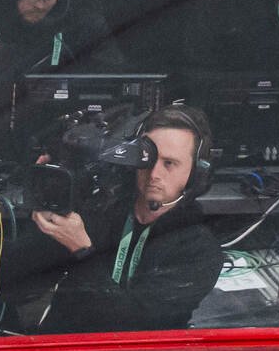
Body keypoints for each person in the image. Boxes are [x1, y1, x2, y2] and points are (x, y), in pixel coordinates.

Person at [23, 106, 224, 335]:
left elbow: (135, 322)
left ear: (195, 174)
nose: (154, 173)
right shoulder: (103, 210)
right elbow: (26, 273)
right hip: (66, 346)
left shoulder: (198, 250)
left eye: (169, 163)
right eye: (147, 158)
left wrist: (83, 251)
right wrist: (46, 191)